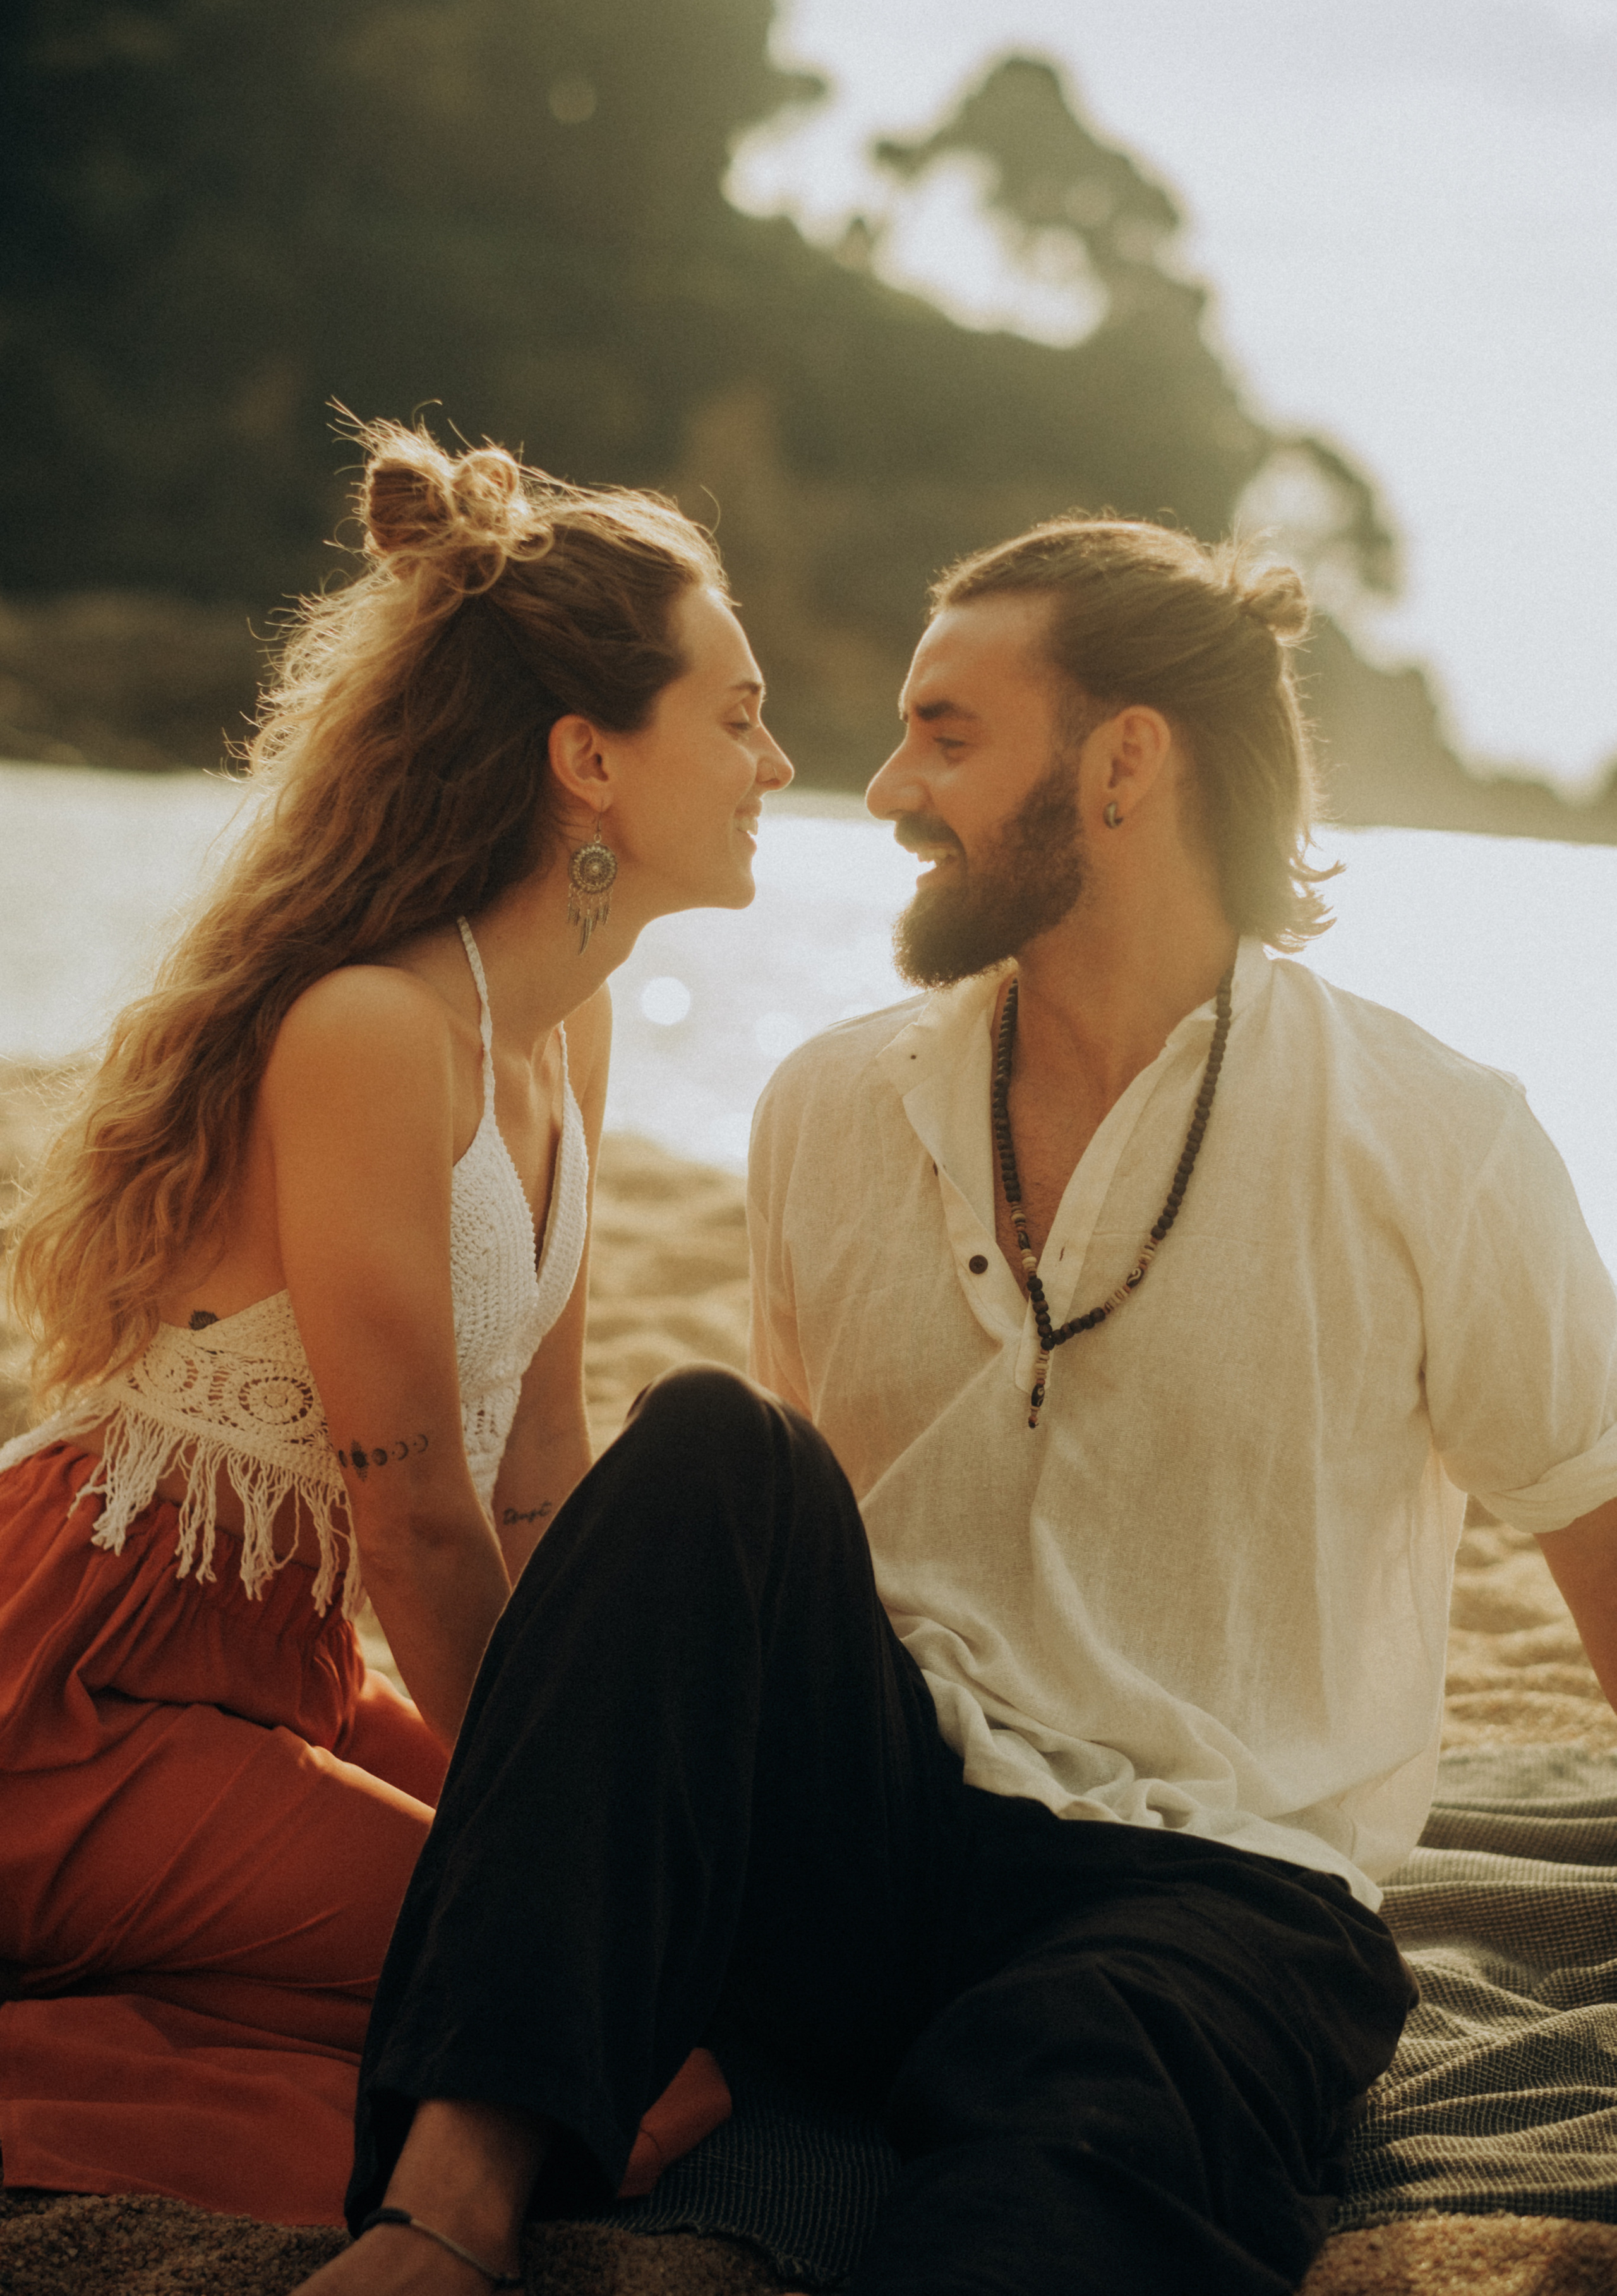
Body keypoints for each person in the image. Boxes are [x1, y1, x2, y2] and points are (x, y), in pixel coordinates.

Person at [296, 516, 1617, 2296]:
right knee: (704, 1445)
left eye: (950, 734)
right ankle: (441, 2212)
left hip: (1210, 1891)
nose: (885, 784)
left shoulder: (1436, 1135)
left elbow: (1595, 1532)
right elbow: (760, 1588)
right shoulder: (824, 1107)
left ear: (1127, 763)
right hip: (867, 1847)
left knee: (1069, 2130)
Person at [0, 421, 791, 2227]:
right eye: (736, 716)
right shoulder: (375, 1028)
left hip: (272, 1666)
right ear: (590, 758)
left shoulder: (567, 1032)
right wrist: (569, 1834)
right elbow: (415, 1517)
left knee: (686, 1962)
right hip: (73, 1681)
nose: (778, 760)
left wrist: (630, 1766)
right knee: (611, 2029)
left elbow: (535, 1468)